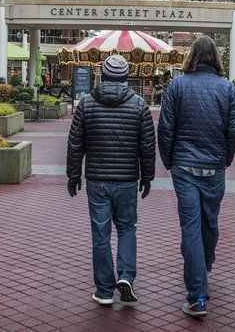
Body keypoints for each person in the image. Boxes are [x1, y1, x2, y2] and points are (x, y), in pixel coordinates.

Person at [157, 36, 235, 318]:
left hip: (184, 167)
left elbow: (166, 127)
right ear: (216, 58)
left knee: (191, 227)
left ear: (191, 57)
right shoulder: (227, 88)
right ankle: (203, 268)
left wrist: (168, 160)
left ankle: (196, 297)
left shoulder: (177, 86)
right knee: (210, 222)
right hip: (214, 166)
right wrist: (225, 158)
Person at [66, 55, 156, 306]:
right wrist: (147, 176)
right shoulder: (139, 105)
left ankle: (104, 290)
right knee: (127, 228)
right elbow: (147, 145)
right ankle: (126, 276)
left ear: (102, 77)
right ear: (126, 78)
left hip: (97, 180)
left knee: (100, 233)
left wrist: (73, 175)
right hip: (127, 179)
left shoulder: (86, 104)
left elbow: (75, 143)